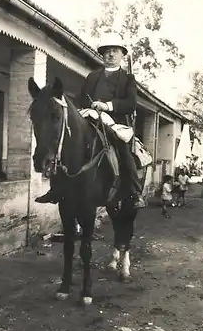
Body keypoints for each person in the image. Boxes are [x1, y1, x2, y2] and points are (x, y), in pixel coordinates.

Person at [36, 32, 146, 210]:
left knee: (123, 148)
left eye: (115, 51)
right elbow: (82, 98)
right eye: (107, 51)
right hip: (91, 115)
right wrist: (86, 108)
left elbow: (130, 104)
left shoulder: (128, 79)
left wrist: (107, 106)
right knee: (68, 141)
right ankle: (55, 188)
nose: (110, 55)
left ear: (122, 55)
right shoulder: (93, 77)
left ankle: (134, 192)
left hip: (115, 122)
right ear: (102, 55)